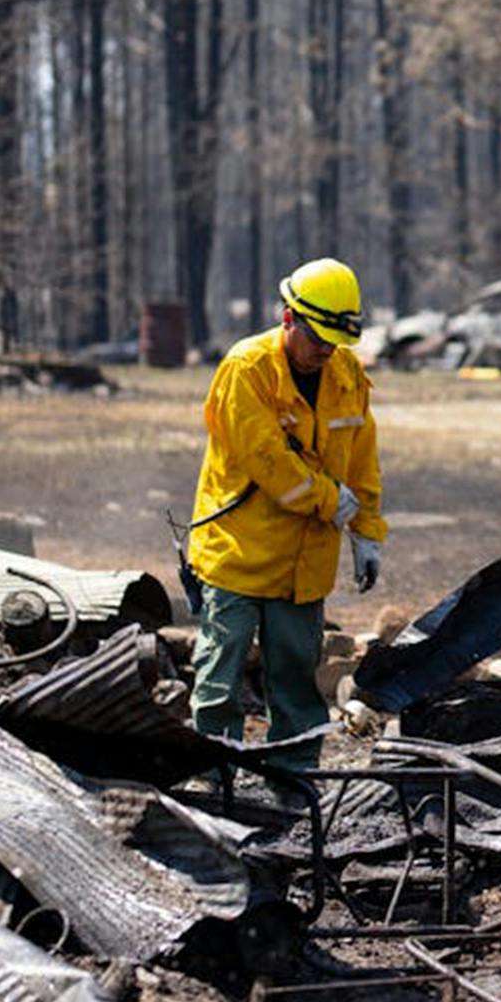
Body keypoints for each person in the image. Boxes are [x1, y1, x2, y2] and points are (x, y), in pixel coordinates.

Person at [183, 258, 385, 774]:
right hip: (238, 554)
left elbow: (362, 463)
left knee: (297, 684)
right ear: (288, 317)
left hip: (304, 564)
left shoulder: (347, 377)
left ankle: (295, 785)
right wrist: (329, 501)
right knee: (218, 681)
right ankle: (213, 780)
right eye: (317, 337)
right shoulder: (247, 371)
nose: (325, 351)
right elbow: (270, 464)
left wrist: (367, 533)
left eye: (335, 341)